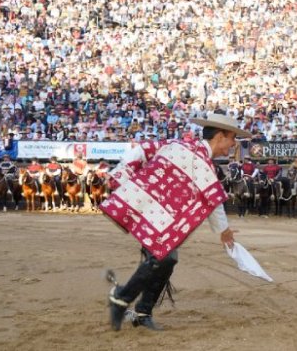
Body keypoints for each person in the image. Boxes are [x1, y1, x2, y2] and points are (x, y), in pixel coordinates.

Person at [105, 113, 249, 331]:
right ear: (220, 136)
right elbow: (213, 199)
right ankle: (121, 299)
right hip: (154, 215)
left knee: (167, 259)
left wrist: (224, 230)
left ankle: (142, 311)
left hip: (158, 217)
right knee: (164, 258)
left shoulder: (180, 148)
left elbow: (211, 198)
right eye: (231, 139)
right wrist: (122, 178)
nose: (232, 145)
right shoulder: (193, 155)